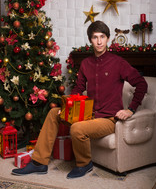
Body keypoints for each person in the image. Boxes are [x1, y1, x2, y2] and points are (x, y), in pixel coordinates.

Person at [12, 20, 148, 178]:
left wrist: (130, 109)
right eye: (95, 37)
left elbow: (141, 84)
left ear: (108, 39)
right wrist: (67, 108)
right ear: (90, 40)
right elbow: (78, 89)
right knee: (53, 113)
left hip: (108, 118)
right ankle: (39, 163)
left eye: (102, 37)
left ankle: (84, 164)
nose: (99, 41)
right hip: (88, 113)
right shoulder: (86, 63)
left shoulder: (118, 63)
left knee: (77, 129)